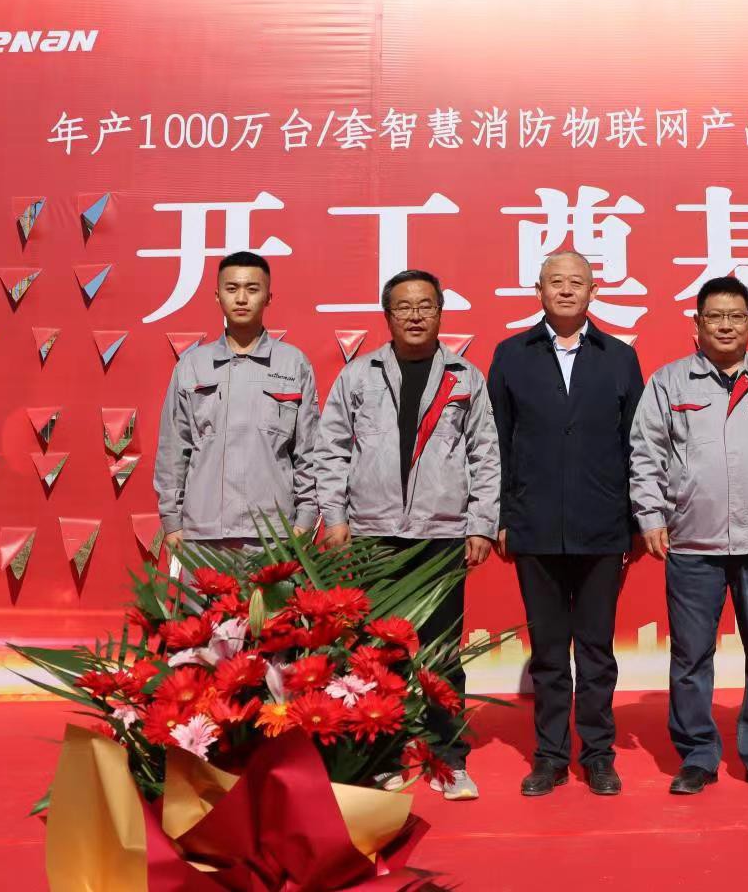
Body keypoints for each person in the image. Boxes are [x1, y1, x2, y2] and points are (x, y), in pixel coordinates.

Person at [318, 269, 500, 801]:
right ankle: (383, 755)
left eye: (425, 306)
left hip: (441, 534)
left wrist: (481, 523)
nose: (415, 315)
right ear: (387, 316)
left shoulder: (465, 377)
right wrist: (335, 517)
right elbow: (331, 451)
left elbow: (486, 455)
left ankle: (449, 757)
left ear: (440, 312)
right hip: (372, 534)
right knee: (375, 652)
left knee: (442, 652)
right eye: (404, 307)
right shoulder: (358, 376)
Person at [630, 276, 748, 796]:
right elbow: (646, 453)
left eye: (736, 316)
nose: (726, 325)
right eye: (715, 316)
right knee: (690, 657)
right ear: (697, 324)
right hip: (692, 542)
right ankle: (697, 755)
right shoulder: (669, 383)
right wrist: (651, 517)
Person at [487, 250, 645, 797]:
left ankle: (598, 754)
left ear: (593, 290)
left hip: (602, 527)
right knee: (550, 652)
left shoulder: (620, 357)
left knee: (596, 651)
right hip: (534, 526)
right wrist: (501, 516)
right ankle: (550, 756)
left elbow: (636, 445)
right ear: (539, 290)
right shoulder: (511, 355)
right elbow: (496, 444)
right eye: (556, 282)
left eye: (577, 282)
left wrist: (636, 520)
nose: (566, 290)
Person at [154, 251, 322, 554]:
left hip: (275, 533)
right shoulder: (193, 365)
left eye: (252, 289)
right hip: (203, 533)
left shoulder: (293, 364)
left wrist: (306, 517)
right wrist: (172, 520)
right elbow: (173, 449)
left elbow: (308, 450)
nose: (241, 298)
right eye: (232, 289)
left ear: (268, 297)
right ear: (217, 295)